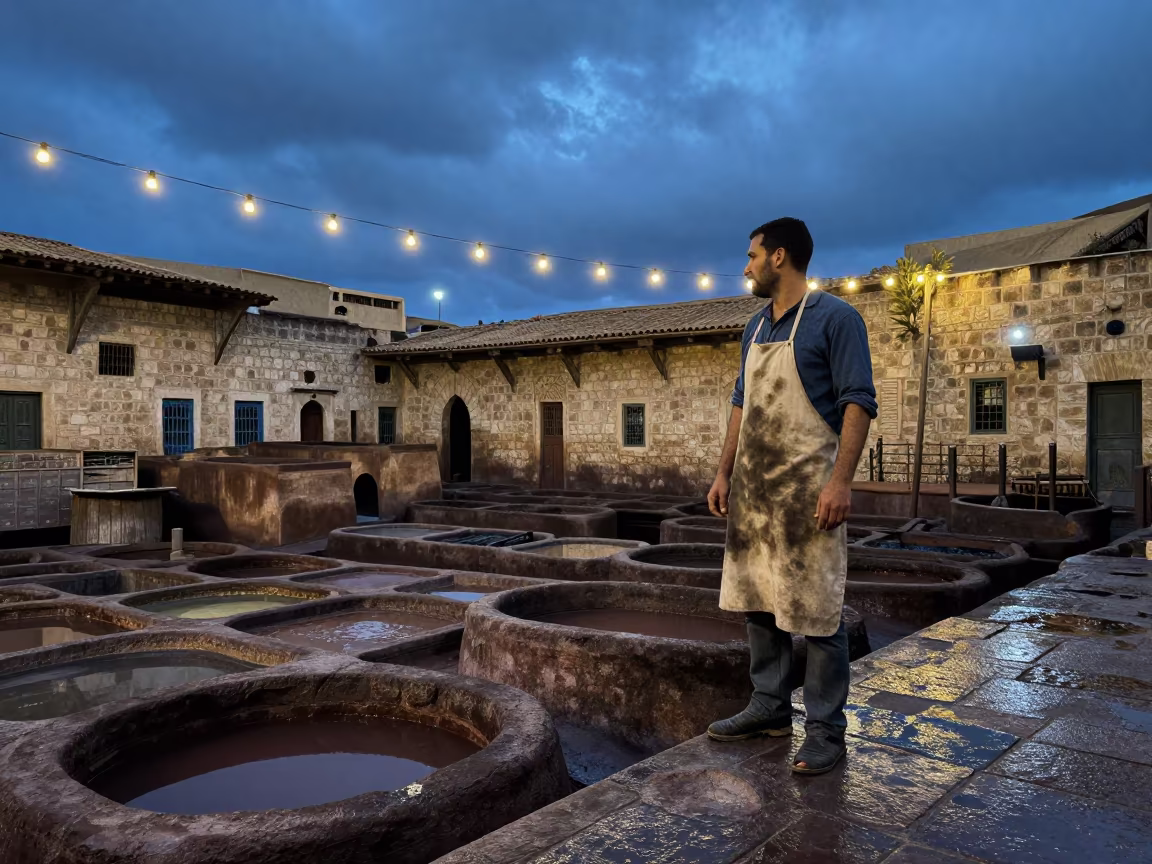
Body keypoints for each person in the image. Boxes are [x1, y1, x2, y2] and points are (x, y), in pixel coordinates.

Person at [707, 217, 876, 775]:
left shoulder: (836, 318)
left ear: (780, 257)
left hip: (809, 492)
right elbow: (741, 404)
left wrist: (841, 481)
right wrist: (724, 473)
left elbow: (858, 402)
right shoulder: (754, 327)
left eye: (752, 255)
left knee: (818, 612)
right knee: (758, 598)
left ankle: (826, 730)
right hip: (756, 491)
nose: (747, 266)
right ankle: (769, 706)